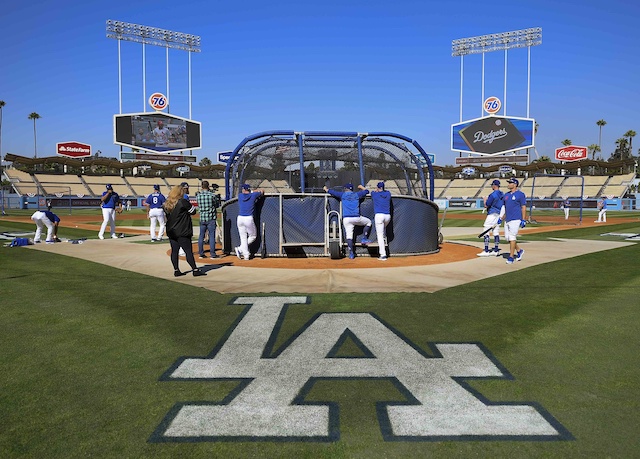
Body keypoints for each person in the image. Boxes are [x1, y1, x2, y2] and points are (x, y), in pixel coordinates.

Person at [163, 185, 206, 277]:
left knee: (174, 251)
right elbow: (193, 211)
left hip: (171, 231)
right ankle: (195, 269)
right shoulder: (183, 202)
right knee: (188, 251)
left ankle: (176, 270)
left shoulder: (167, 203)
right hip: (182, 230)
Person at [323, 183, 372, 259]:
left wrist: (326, 189)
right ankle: (364, 238)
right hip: (356, 217)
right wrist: (361, 187)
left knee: (349, 236)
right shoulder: (356, 194)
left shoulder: (342, 194)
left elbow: (332, 192)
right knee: (368, 222)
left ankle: (351, 253)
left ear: (345, 189)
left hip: (346, 218)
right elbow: (367, 191)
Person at [499, 178, 527, 265]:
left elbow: (523, 207)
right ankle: (519, 250)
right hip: (507, 219)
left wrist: (523, 219)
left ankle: (511, 257)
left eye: (510, 183)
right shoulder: (506, 195)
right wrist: (501, 218)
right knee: (508, 238)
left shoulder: (520, 195)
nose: (508, 184)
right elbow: (505, 208)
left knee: (512, 237)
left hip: (515, 219)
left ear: (515, 184)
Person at [235, 183, 264, 260]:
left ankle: (245, 254)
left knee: (243, 237)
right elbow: (262, 191)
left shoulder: (240, 195)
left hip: (240, 218)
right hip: (248, 218)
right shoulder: (253, 195)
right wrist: (252, 191)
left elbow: (246, 193)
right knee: (253, 236)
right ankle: (241, 250)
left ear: (243, 189)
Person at [478, 179, 504, 257]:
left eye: (492, 185)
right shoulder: (502, 194)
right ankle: (496, 250)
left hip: (492, 213)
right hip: (499, 214)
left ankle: (486, 250)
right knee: (496, 232)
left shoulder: (493, 195)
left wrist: (484, 200)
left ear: (494, 185)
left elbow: (487, 205)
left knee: (486, 230)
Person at [196, 180, 219, 259]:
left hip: (202, 217)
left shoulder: (198, 196)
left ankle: (201, 253)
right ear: (208, 186)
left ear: (202, 187)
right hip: (210, 217)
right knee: (211, 236)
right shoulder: (212, 195)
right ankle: (212, 254)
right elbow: (216, 205)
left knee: (201, 236)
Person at [370, 181, 392, 260]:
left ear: (378, 188)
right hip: (387, 216)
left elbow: (372, 192)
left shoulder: (375, 194)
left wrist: (376, 190)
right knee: (382, 232)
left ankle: (383, 255)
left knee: (380, 235)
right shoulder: (388, 194)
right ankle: (383, 246)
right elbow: (385, 192)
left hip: (379, 215)